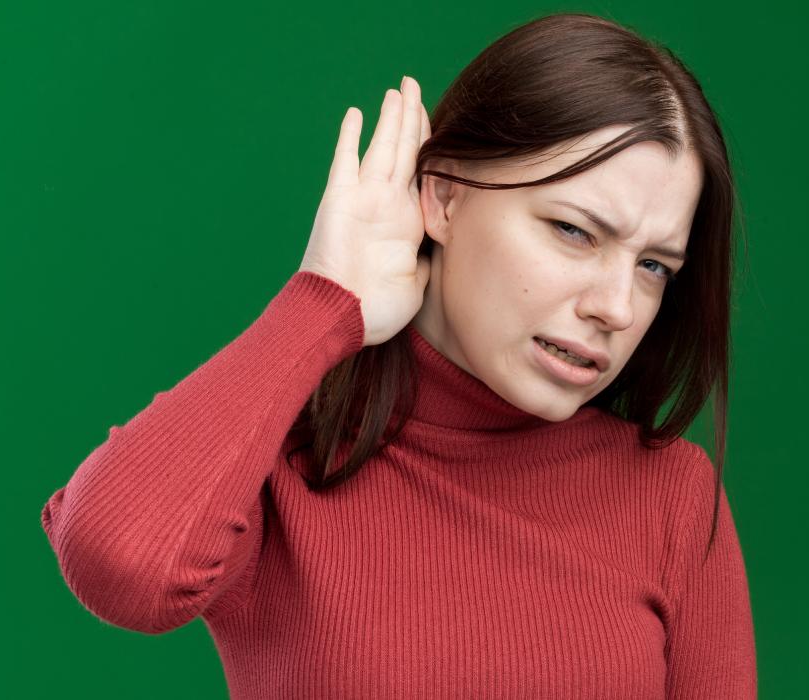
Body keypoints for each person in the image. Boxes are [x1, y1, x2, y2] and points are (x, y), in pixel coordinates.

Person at [40, 12, 756, 699]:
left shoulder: (674, 499)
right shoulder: (287, 468)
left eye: (655, 267)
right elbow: (118, 564)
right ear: (442, 196)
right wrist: (321, 306)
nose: (618, 306)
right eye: (574, 231)